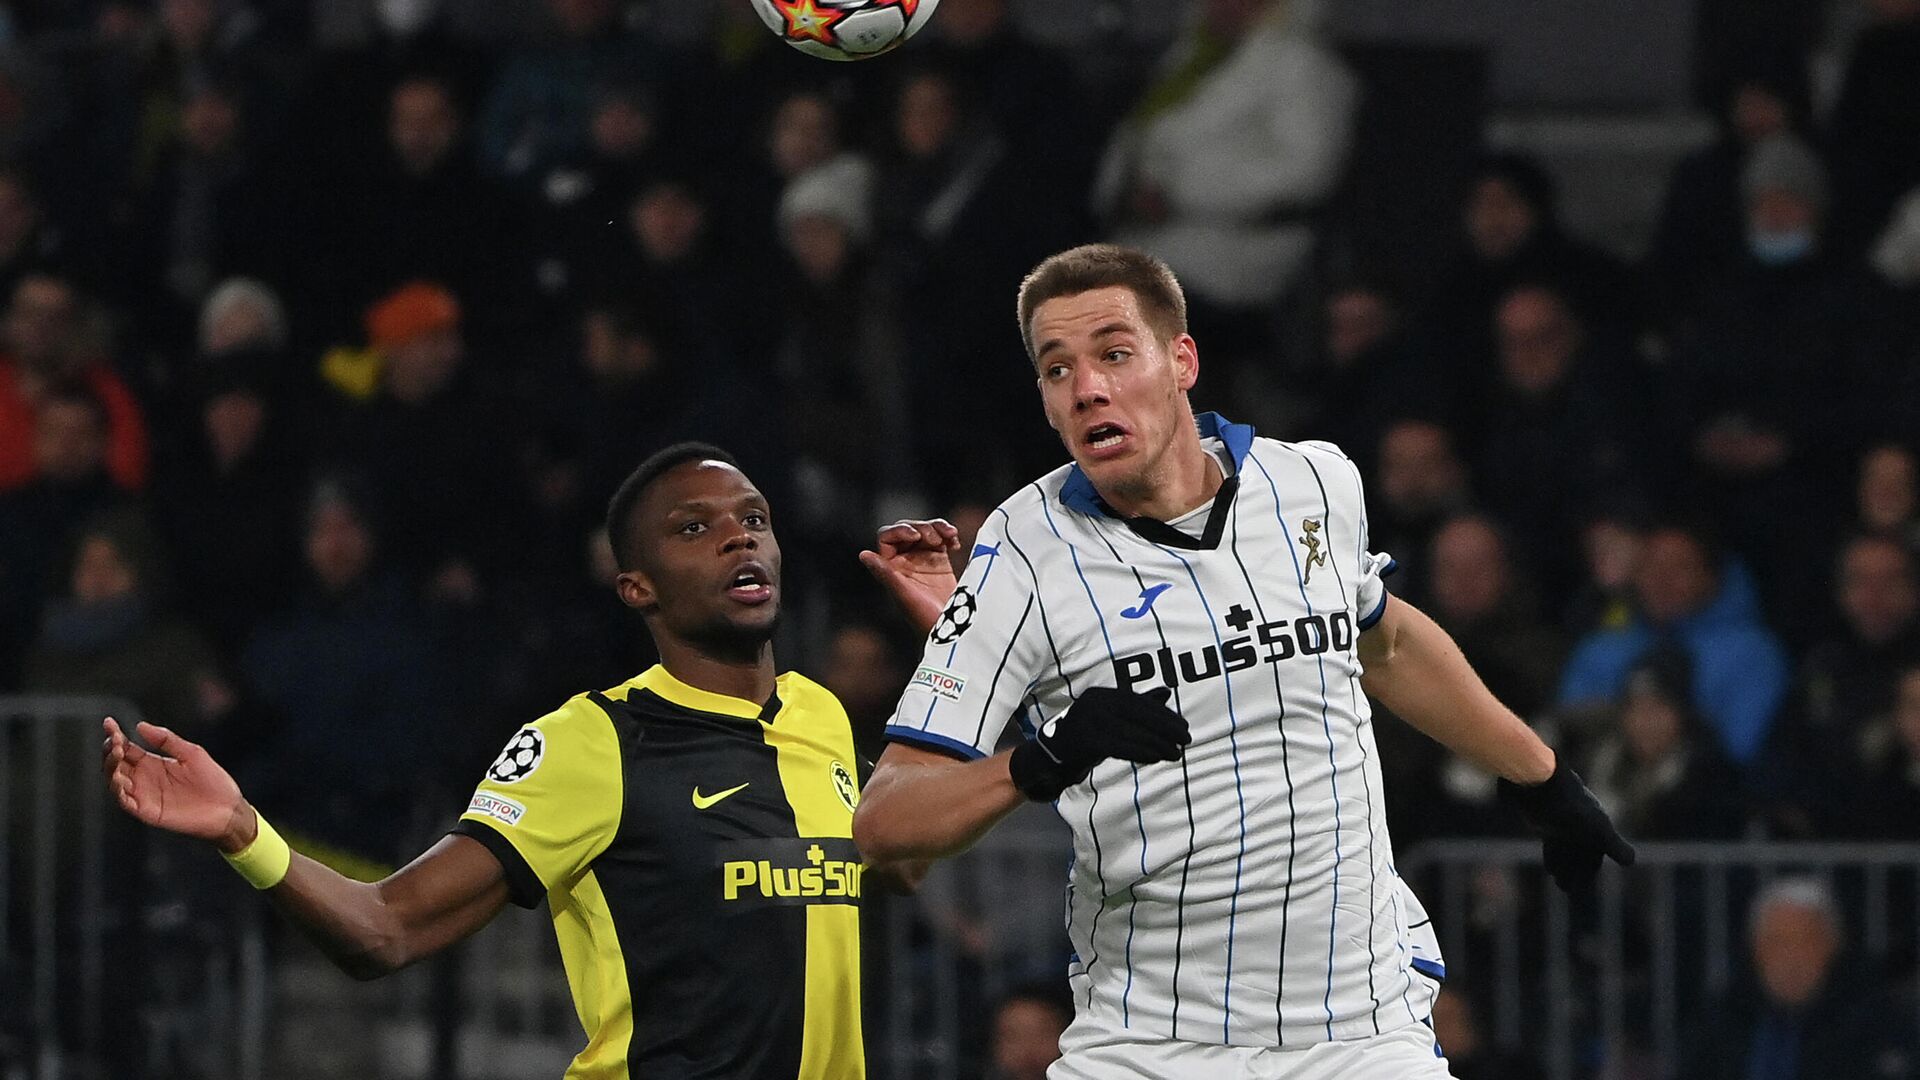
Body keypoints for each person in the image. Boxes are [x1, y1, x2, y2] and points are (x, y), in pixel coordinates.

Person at [853, 244, 1631, 1077]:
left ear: (1181, 360)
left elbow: (1387, 641)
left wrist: (1542, 779)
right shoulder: (1022, 552)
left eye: (1115, 353)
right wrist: (1042, 760)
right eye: (1057, 369)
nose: (1087, 388)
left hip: (1360, 1031)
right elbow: (887, 826)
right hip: (1152, 1040)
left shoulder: (1314, 483)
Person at [103, 443, 909, 1078]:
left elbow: (905, 855)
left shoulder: (820, 716)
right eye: (693, 527)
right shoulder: (590, 742)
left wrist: (979, 659)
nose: (741, 534)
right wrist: (245, 832)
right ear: (636, 588)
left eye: (755, 517)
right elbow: (385, 929)